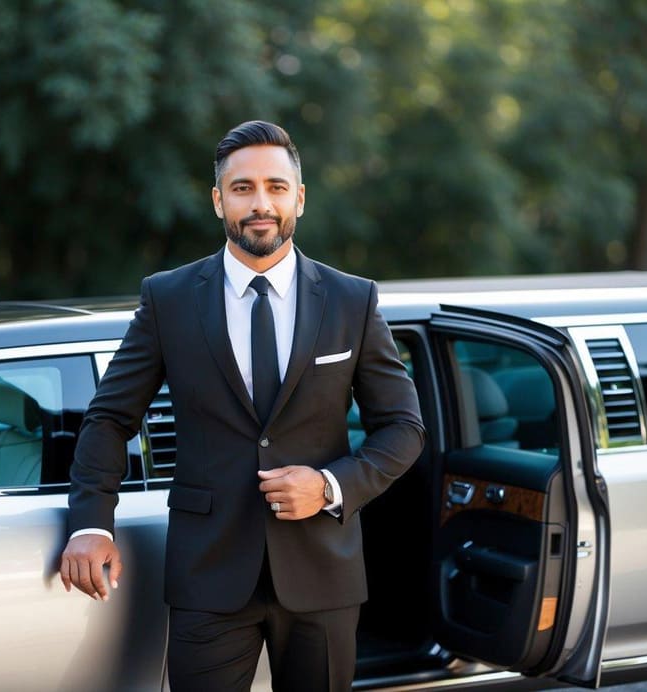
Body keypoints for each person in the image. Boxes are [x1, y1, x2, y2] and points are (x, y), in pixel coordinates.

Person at [60, 120, 425, 692]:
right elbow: (109, 418)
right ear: (218, 200)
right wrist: (90, 524)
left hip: (322, 574)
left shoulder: (354, 299)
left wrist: (330, 486)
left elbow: (403, 428)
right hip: (207, 577)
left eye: (276, 188)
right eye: (243, 188)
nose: (261, 204)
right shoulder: (168, 298)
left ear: (299, 199)